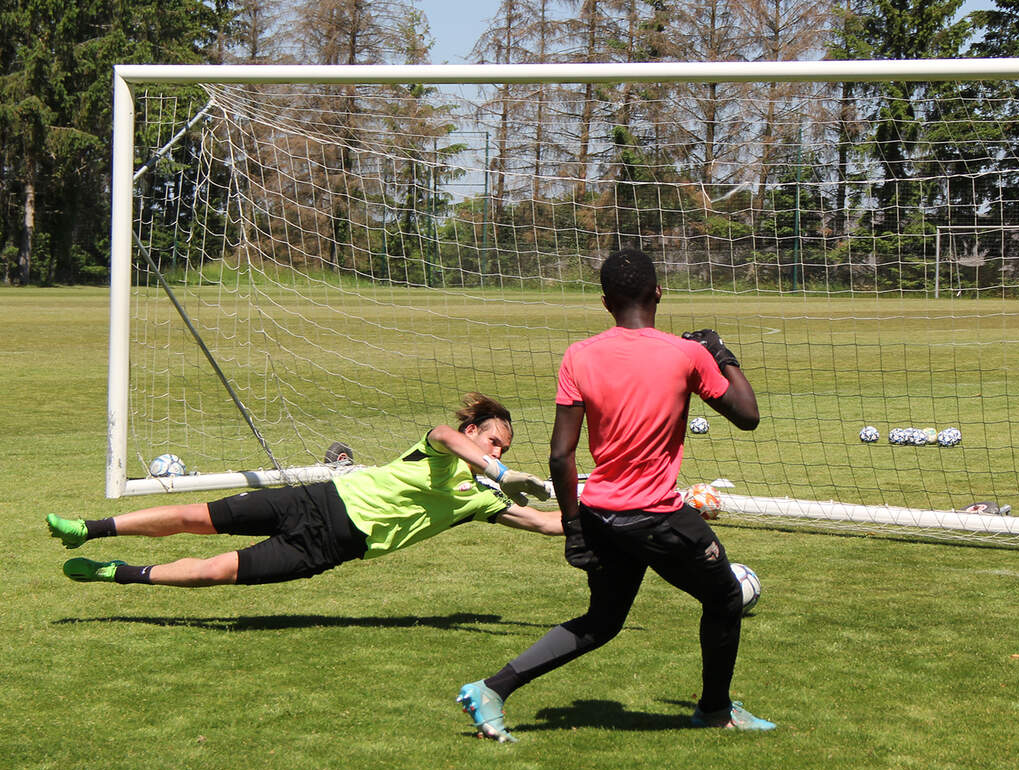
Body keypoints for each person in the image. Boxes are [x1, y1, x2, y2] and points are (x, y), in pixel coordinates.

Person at [456, 249, 774, 742]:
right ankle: (715, 711)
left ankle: (491, 690)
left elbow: (561, 457)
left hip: (599, 512)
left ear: (605, 303)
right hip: (655, 516)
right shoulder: (687, 354)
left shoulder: (579, 355)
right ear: (659, 294)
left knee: (602, 622)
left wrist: (575, 525)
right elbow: (748, 415)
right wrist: (719, 351)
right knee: (726, 597)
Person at [46, 393, 559, 587]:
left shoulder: (479, 501)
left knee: (214, 571)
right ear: (474, 433)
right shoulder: (443, 445)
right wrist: (497, 472)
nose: (497, 453)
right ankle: (87, 530)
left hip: (329, 546)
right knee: (195, 515)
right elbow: (446, 436)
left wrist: (609, 514)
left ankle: (116, 573)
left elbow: (544, 523)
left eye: (504, 452)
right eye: (494, 442)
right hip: (314, 499)